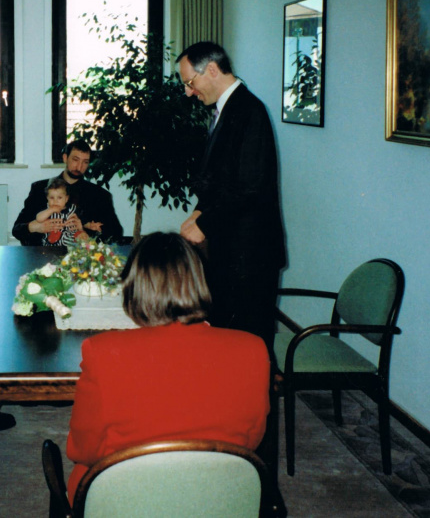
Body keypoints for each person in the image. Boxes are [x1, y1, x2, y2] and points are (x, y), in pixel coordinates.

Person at [65, 232, 270, 502]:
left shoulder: (102, 351)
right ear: (200, 283)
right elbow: (251, 440)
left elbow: (82, 450)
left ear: (133, 288)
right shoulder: (252, 348)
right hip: (221, 496)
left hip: (126, 498)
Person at [177, 41, 287, 516]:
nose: (188, 91)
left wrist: (205, 220)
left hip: (248, 260)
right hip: (230, 255)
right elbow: (223, 180)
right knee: (227, 360)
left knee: (252, 367)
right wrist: (200, 211)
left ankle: (260, 481)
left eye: (190, 80)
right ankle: (227, 457)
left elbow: (250, 186)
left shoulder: (250, 111)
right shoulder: (228, 108)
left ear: (213, 70)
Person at [12, 140, 123, 245]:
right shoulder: (40, 188)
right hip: (44, 255)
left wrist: (85, 235)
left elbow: (116, 233)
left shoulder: (99, 195)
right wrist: (36, 227)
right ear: (65, 158)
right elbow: (17, 229)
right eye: (75, 160)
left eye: (85, 162)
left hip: (82, 256)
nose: (79, 167)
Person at [34, 177, 88, 246]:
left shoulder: (72, 209)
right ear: (47, 198)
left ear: (66, 199)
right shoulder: (48, 210)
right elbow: (38, 218)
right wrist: (51, 210)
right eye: (52, 198)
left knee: (81, 236)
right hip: (52, 243)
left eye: (59, 197)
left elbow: (81, 221)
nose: (55, 201)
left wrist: (88, 226)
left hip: (69, 239)